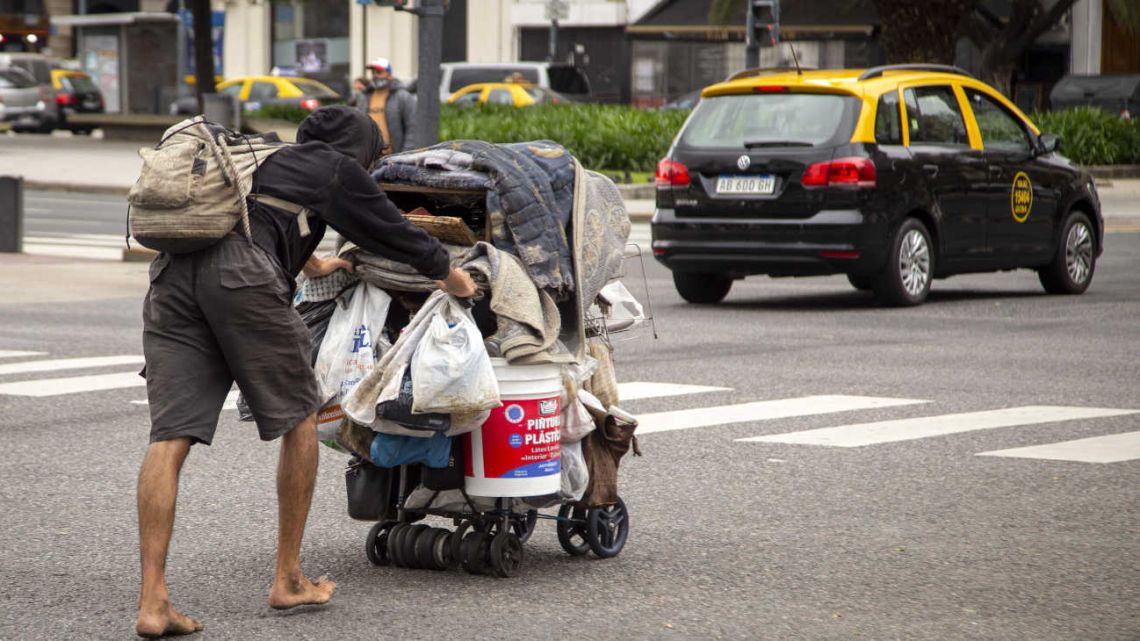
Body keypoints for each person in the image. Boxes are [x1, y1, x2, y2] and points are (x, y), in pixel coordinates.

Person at [134, 106, 476, 638]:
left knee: (169, 437)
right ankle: (289, 578)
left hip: (173, 279)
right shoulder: (336, 167)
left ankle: (153, 603)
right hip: (242, 280)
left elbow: (263, 219)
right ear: (361, 149)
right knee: (301, 419)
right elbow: (394, 234)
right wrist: (454, 278)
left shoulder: (268, 157)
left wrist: (315, 264)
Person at [354, 57, 418, 155]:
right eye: (373, 73)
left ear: (389, 74)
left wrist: (405, 155)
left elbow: (412, 128)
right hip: (370, 158)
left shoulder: (403, 97)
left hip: (394, 157)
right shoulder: (364, 97)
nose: (375, 76)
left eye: (379, 72)